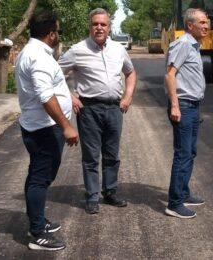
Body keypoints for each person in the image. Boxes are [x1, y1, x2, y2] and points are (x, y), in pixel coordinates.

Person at [58, 8, 137, 214]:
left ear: (109, 27)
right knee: (91, 156)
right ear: (90, 26)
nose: (99, 28)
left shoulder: (119, 49)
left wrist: (127, 96)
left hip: (114, 109)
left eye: (103, 24)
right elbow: (55, 74)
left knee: (112, 155)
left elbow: (130, 72)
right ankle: (92, 197)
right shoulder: (77, 50)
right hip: (89, 110)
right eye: (95, 24)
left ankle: (110, 192)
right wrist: (71, 96)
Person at [15, 11, 79, 250]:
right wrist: (66, 126)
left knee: (37, 176)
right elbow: (45, 96)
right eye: (58, 31)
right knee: (40, 179)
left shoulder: (33, 52)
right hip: (44, 129)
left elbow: (48, 86)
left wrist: (68, 96)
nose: (58, 36)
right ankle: (38, 233)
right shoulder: (38, 57)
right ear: (51, 34)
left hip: (38, 126)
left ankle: (38, 220)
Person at [164, 8, 209, 219]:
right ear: (190, 25)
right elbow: (170, 76)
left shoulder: (193, 45)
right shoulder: (183, 44)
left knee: (190, 152)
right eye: (201, 22)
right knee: (182, 154)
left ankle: (183, 192)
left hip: (193, 105)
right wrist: (175, 105)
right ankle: (174, 203)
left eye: (206, 21)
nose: (206, 25)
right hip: (183, 105)